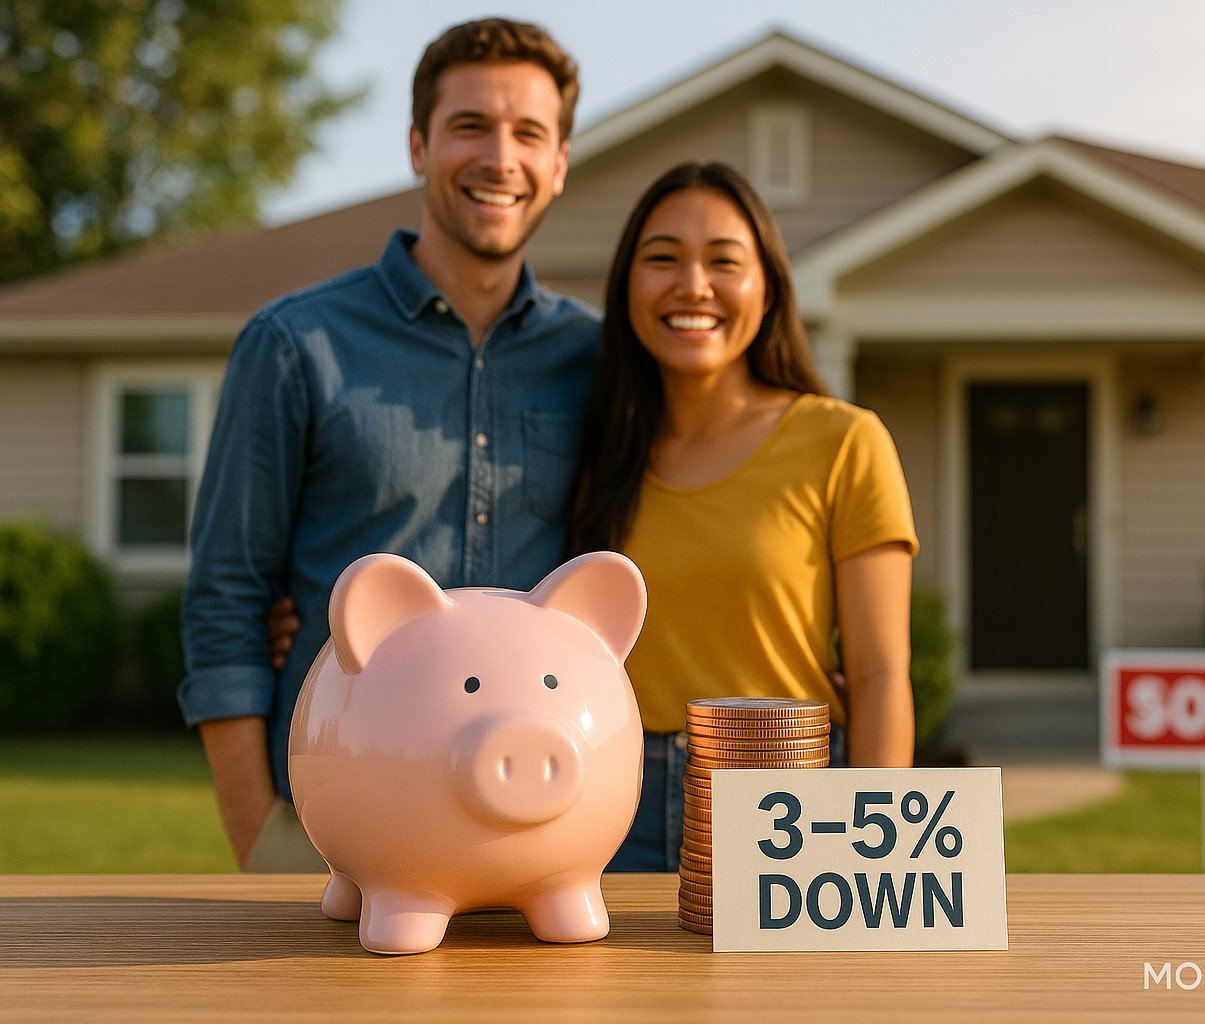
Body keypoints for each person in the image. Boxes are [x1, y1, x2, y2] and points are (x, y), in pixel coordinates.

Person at [179, 18, 597, 872]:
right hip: (332, 834)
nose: (500, 158)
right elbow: (227, 593)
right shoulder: (295, 344)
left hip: (546, 839)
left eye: (529, 134)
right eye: (469, 126)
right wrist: (259, 832)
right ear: (417, 145)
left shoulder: (599, 363)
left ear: (559, 165)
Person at [567, 162, 918, 872]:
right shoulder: (594, 452)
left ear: (768, 288)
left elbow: (880, 674)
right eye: (661, 258)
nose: (692, 286)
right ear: (626, 287)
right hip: (606, 796)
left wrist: (878, 856)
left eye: (724, 262)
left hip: (787, 799)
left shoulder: (845, 440)